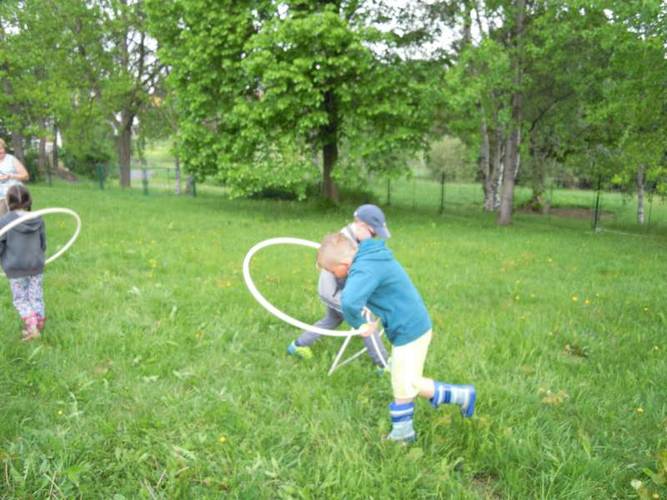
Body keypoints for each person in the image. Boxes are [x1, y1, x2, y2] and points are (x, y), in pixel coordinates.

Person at [316, 232, 476, 443]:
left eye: (331, 271)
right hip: (411, 325)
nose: (332, 275)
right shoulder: (369, 258)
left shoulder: (364, 268)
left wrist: (360, 324)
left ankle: (407, 432)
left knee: (404, 383)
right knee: (405, 380)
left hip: (409, 329)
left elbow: (349, 302)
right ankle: (453, 399)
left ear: (344, 264)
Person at [287, 205, 390, 370]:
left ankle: (298, 345)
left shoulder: (352, 238)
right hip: (334, 292)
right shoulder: (347, 243)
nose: (374, 237)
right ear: (361, 225)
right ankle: (383, 364)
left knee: (333, 319)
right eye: (373, 233)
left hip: (334, 290)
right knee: (365, 319)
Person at [0, 185, 46, 341]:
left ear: (8, 202)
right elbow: (43, 242)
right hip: (36, 265)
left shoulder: (4, 221)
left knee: (20, 299)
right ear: (29, 201)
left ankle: (32, 325)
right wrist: (40, 255)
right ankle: (38, 323)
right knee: (36, 296)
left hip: (15, 267)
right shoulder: (38, 218)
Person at [0, 138, 30, 216]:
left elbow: (26, 176)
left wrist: (11, 176)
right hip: (1, 198)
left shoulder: (11, 159)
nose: (0, 151)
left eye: (1, 148)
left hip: (15, 196)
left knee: (17, 218)